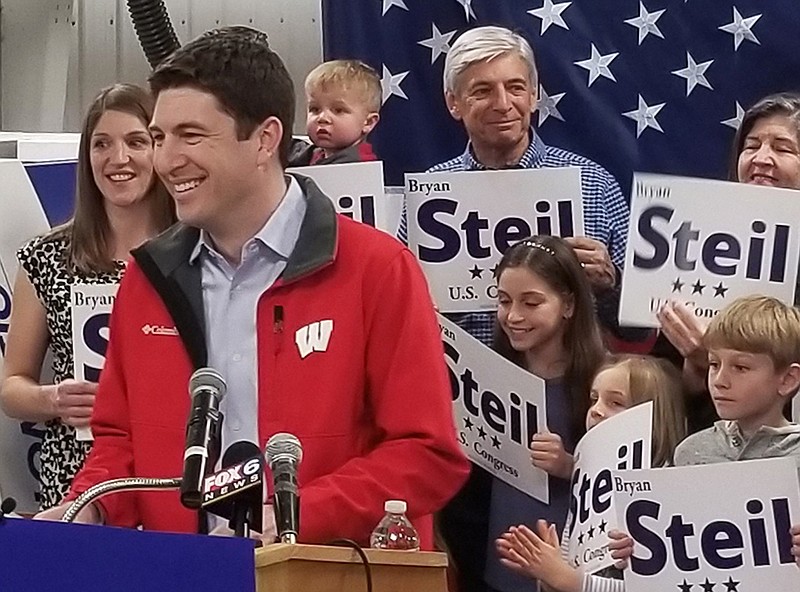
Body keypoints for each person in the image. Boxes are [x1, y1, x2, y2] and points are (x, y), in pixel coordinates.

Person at [35, 26, 469, 548]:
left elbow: (427, 453)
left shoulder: (376, 269)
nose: (167, 160)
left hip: (329, 575)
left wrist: (300, 514)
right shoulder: (149, 279)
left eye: (191, 136)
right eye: (159, 137)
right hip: (186, 573)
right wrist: (91, 506)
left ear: (265, 139)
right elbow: (121, 441)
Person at [0, 83, 174, 510]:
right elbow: (11, 386)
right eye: (102, 144)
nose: (118, 159)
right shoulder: (46, 256)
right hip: (73, 480)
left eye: (137, 142)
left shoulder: (196, 254)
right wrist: (53, 398)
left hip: (168, 476)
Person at [612, 295, 800, 571]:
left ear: (787, 380)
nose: (720, 380)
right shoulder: (690, 451)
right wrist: (638, 547)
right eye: (714, 364)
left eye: (740, 367)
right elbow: (673, 546)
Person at [655, 92, 800, 431]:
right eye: (752, 146)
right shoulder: (697, 233)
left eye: (782, 148)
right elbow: (666, 377)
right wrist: (697, 364)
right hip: (703, 438)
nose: (761, 158)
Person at [471, 235, 606, 592]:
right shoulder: (487, 373)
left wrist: (568, 465)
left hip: (571, 567)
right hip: (499, 563)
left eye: (531, 303)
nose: (513, 316)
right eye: (503, 301)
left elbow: (630, 474)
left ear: (568, 305)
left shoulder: (603, 379)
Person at [495, 354, 687, 592]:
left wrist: (565, 578)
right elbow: (568, 576)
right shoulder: (587, 479)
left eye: (615, 403)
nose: (596, 410)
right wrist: (546, 571)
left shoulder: (669, 490)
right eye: (594, 399)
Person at [288, 59, 380, 166]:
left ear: (368, 122)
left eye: (338, 110)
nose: (322, 118)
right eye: (315, 109)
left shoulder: (357, 166)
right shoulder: (315, 154)